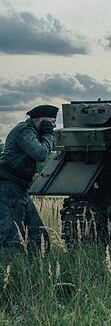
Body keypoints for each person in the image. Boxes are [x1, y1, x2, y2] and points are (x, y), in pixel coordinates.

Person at [0, 105, 57, 254]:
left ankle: (33, 268)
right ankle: (11, 271)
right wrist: (48, 135)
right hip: (7, 188)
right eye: (52, 121)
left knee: (39, 236)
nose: (54, 125)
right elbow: (40, 153)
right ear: (42, 120)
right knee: (11, 238)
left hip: (18, 189)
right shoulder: (24, 131)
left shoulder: (33, 133)